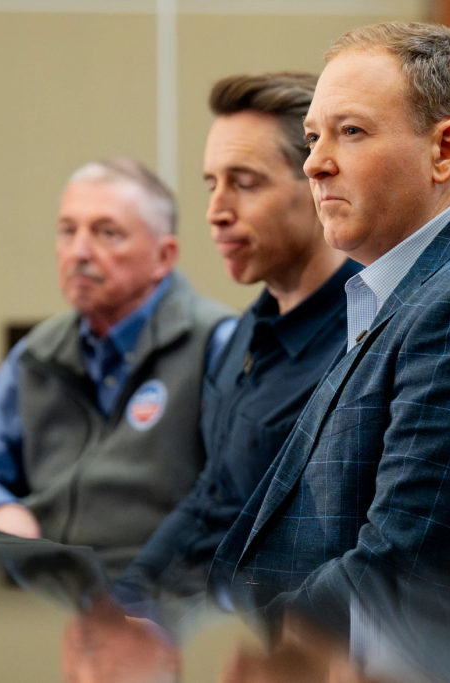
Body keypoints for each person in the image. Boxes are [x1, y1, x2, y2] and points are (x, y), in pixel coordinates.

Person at [209, 22, 450, 628]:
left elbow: (400, 577)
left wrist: (233, 650)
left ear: (445, 151)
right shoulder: (424, 289)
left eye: (350, 132)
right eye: (311, 138)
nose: (315, 165)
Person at [113, 73, 360, 604]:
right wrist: (124, 600)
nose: (216, 212)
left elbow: (324, 558)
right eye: (211, 184)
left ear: (319, 182)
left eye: (244, 183)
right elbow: (212, 495)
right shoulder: (248, 327)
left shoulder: (363, 343)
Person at [0, 158, 233, 577]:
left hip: (167, 600)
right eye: (68, 231)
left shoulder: (216, 345)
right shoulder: (37, 354)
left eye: (107, 233)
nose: (80, 252)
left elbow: (237, 503)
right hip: (49, 595)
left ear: (164, 256)